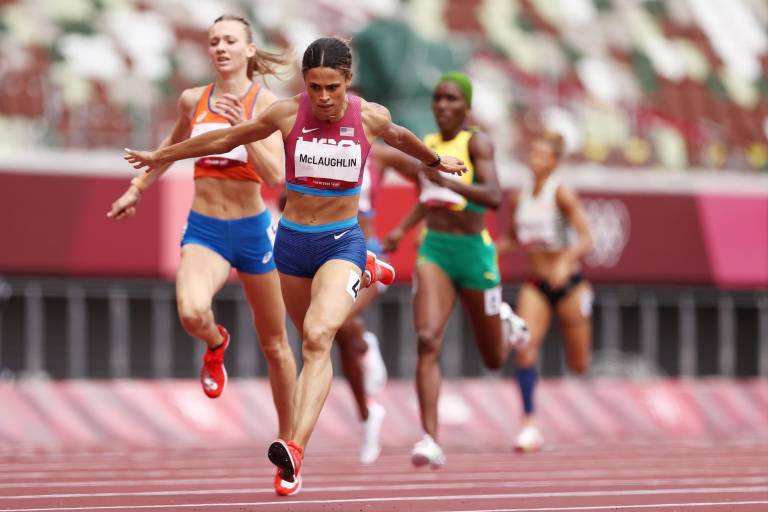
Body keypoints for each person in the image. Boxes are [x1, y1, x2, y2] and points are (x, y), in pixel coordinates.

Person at [122, 36, 467, 495]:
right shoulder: (286, 114)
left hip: (340, 240)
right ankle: (367, 267)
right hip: (292, 244)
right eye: (314, 87)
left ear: (348, 81)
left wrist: (435, 159)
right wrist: (158, 156)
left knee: (319, 339)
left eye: (332, 88)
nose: (323, 98)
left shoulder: (369, 116)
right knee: (304, 335)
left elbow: (401, 137)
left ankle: (294, 452)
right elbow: (225, 137)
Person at [107, 14, 298, 496]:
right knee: (192, 311)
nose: (220, 48)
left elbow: (276, 177)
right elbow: (173, 146)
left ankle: (290, 448)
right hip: (206, 230)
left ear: (250, 49)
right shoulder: (194, 99)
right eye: (214, 41)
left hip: (255, 233)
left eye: (230, 40)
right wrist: (138, 186)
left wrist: (246, 130)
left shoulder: (268, 105)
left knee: (276, 344)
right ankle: (216, 344)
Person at [382, 72, 530, 468]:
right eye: (438, 99)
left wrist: (450, 180)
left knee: (494, 359)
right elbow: (428, 197)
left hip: (475, 254)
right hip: (435, 251)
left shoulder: (476, 142)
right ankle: (429, 439)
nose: (443, 106)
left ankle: (504, 321)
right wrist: (401, 229)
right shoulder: (426, 146)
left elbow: (494, 196)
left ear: (466, 106)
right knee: (428, 339)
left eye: (451, 99)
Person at [496, 130, 594, 452]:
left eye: (542, 154)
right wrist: (484, 248)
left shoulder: (561, 192)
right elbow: (512, 240)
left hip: (569, 286)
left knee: (579, 363)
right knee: (524, 347)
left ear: (554, 161)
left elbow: (586, 239)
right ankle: (528, 425)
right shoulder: (519, 195)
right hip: (536, 284)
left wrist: (565, 261)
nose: (535, 159)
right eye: (532, 152)